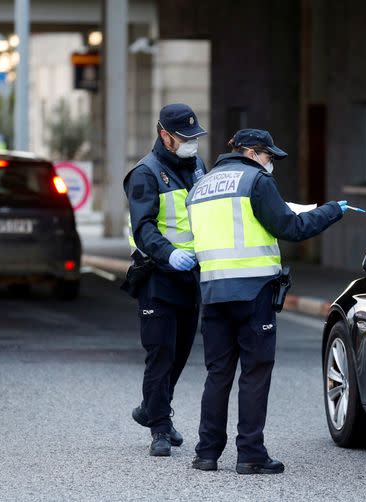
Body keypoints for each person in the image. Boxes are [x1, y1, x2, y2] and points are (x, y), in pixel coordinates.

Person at [186, 128, 350, 474]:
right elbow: (290, 227)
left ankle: (206, 452)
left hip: (214, 292)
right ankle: (250, 454)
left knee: (218, 374)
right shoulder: (256, 182)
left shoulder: (200, 187)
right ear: (250, 152)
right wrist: (333, 211)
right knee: (255, 373)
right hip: (253, 292)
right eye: (268, 156)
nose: (270, 163)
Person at [122, 103, 208, 457]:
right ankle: (159, 427)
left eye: (195, 136)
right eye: (184, 138)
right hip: (157, 274)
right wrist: (169, 253)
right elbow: (143, 229)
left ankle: (151, 407)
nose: (192, 143)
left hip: (192, 275)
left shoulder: (199, 167)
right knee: (161, 352)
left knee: (181, 353)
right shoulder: (145, 173)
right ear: (164, 136)